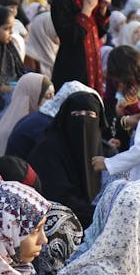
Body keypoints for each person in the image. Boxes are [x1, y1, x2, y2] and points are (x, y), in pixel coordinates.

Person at [28, 92, 103, 225]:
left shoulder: (104, 150)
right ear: (65, 118)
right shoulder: (47, 150)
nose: (83, 121)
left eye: (90, 115)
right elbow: (57, 198)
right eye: (76, 115)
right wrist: (99, 213)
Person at [51, 0, 110, 95]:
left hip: (93, 63)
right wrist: (86, 11)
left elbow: (100, 32)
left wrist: (103, 7)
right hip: (73, 68)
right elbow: (70, 37)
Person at [0, 72, 51, 163]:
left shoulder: (38, 125)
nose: (52, 101)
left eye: (54, 95)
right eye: (48, 96)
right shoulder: (10, 130)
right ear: (33, 96)